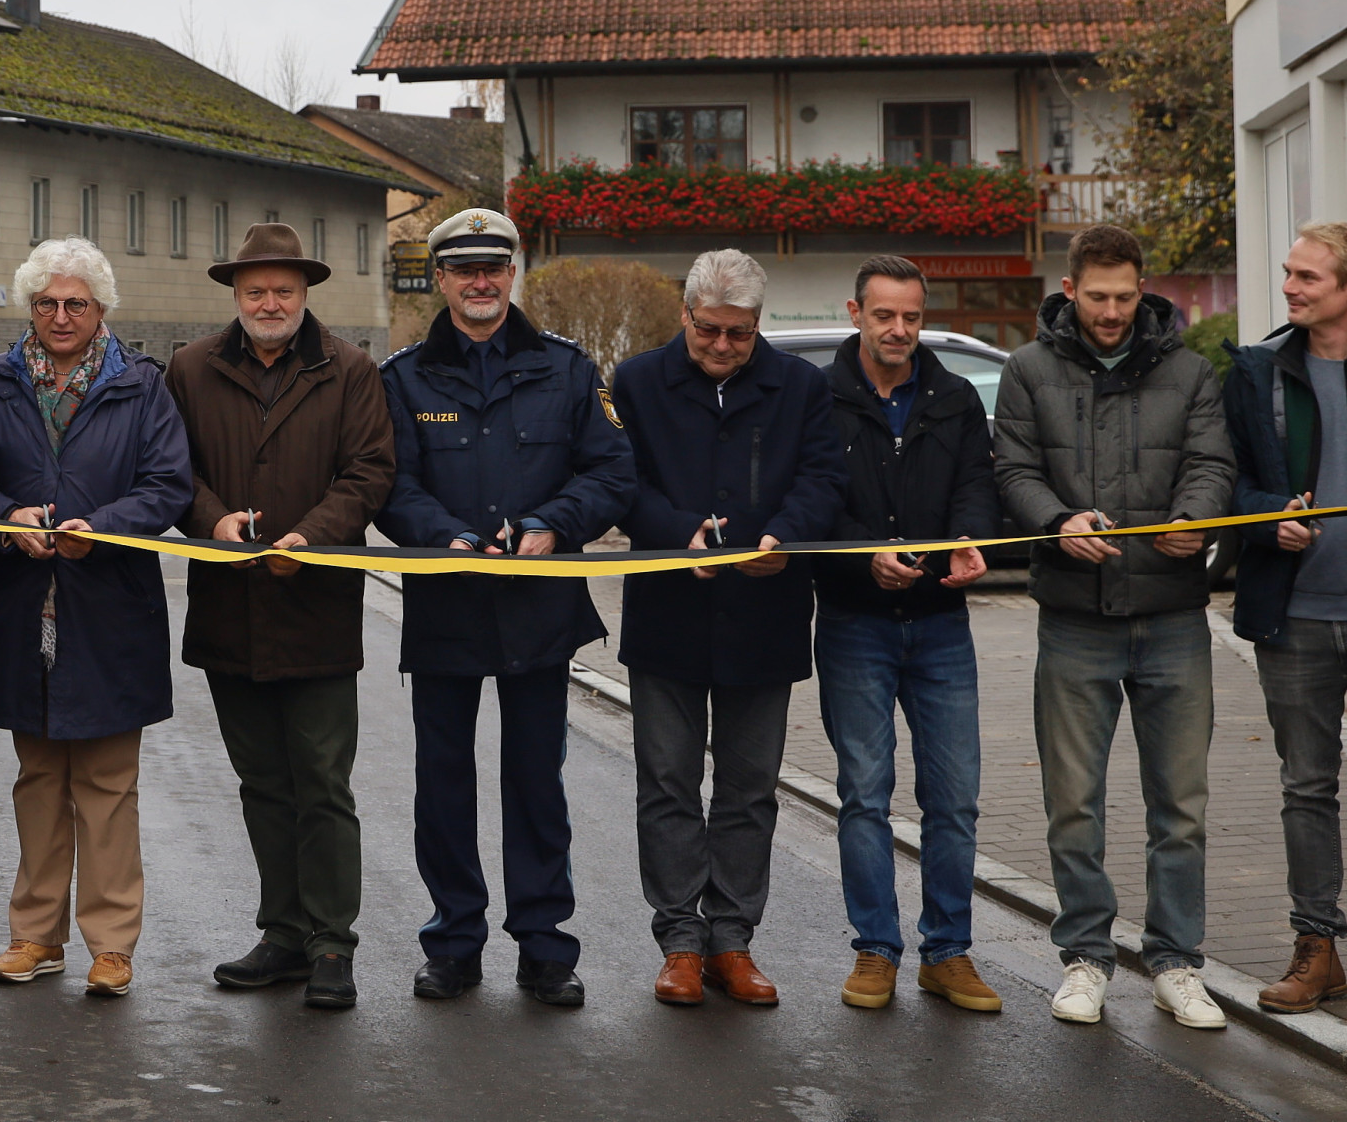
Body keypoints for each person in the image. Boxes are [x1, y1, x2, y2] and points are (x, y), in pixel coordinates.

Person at [374, 208, 633, 1010]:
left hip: (538, 609)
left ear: (513, 273)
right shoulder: (403, 377)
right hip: (446, 608)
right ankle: (453, 943)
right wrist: (443, 535)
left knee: (536, 786)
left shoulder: (567, 369)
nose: (480, 282)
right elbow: (389, 483)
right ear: (441, 279)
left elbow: (611, 471)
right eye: (464, 270)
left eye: (493, 268)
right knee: (443, 789)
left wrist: (554, 523)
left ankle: (545, 947)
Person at [995, 223, 1234, 1030]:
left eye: (1125, 297)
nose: (1110, 312)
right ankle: (1086, 959)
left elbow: (1212, 463)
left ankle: (1176, 963)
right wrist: (1056, 521)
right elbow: (1013, 469)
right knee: (1074, 804)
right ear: (1069, 290)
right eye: (1096, 297)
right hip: (1073, 618)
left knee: (1182, 807)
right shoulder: (1027, 370)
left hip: (1173, 616)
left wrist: (1196, 516)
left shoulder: (1191, 370)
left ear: (1143, 288)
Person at [167, 222, 394, 1012]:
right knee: (262, 783)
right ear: (236, 293)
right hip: (229, 610)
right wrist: (213, 520)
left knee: (323, 784)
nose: (270, 303)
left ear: (305, 294)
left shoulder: (350, 369)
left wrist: (313, 537)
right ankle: (283, 934)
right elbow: (172, 469)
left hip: (317, 610)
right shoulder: (191, 368)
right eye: (257, 290)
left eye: (284, 290)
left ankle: (332, 943)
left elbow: (370, 472)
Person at [612, 248, 844, 1010]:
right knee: (668, 784)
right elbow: (619, 481)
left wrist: (786, 535)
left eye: (738, 334)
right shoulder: (638, 382)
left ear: (757, 324)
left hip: (765, 616)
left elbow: (823, 479)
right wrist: (675, 533)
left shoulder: (802, 386)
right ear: (684, 315)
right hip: (668, 614)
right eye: (708, 330)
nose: (721, 345)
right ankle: (681, 941)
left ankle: (732, 939)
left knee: (748, 790)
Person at [0, 237, 191, 1000]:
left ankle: (112, 944)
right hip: (22, 606)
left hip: (110, 609)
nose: (60, 316)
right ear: (30, 308)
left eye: (76, 304)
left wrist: (105, 526)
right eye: (47, 303)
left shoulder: (142, 386)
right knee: (37, 779)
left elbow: (169, 485)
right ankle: (35, 935)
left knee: (106, 783)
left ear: (101, 310)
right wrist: (5, 517)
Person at [813, 255, 1003, 1015]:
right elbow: (812, 499)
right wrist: (863, 556)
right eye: (885, 315)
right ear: (855, 312)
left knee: (954, 799)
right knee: (864, 794)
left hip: (941, 625)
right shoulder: (819, 397)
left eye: (912, 317)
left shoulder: (954, 397)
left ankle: (948, 953)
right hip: (853, 622)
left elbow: (977, 485)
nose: (899, 329)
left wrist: (969, 539)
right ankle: (875, 950)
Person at [1231, 221, 1347, 1014]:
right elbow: (1227, 484)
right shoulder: (1260, 371)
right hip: (1297, 614)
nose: (1289, 288)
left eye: (1308, 277)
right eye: (1288, 273)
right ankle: (1317, 949)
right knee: (1307, 786)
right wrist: (1268, 517)